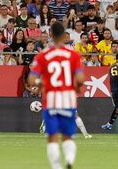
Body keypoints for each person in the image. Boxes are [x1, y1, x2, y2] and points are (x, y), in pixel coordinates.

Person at [28, 22, 85, 169]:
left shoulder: (44, 55)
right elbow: (80, 79)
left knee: (52, 138)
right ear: (64, 36)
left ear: (51, 35)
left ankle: (56, 166)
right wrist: (75, 88)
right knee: (68, 136)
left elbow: (31, 80)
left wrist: (43, 83)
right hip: (68, 99)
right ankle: (70, 161)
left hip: (51, 100)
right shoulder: (73, 55)